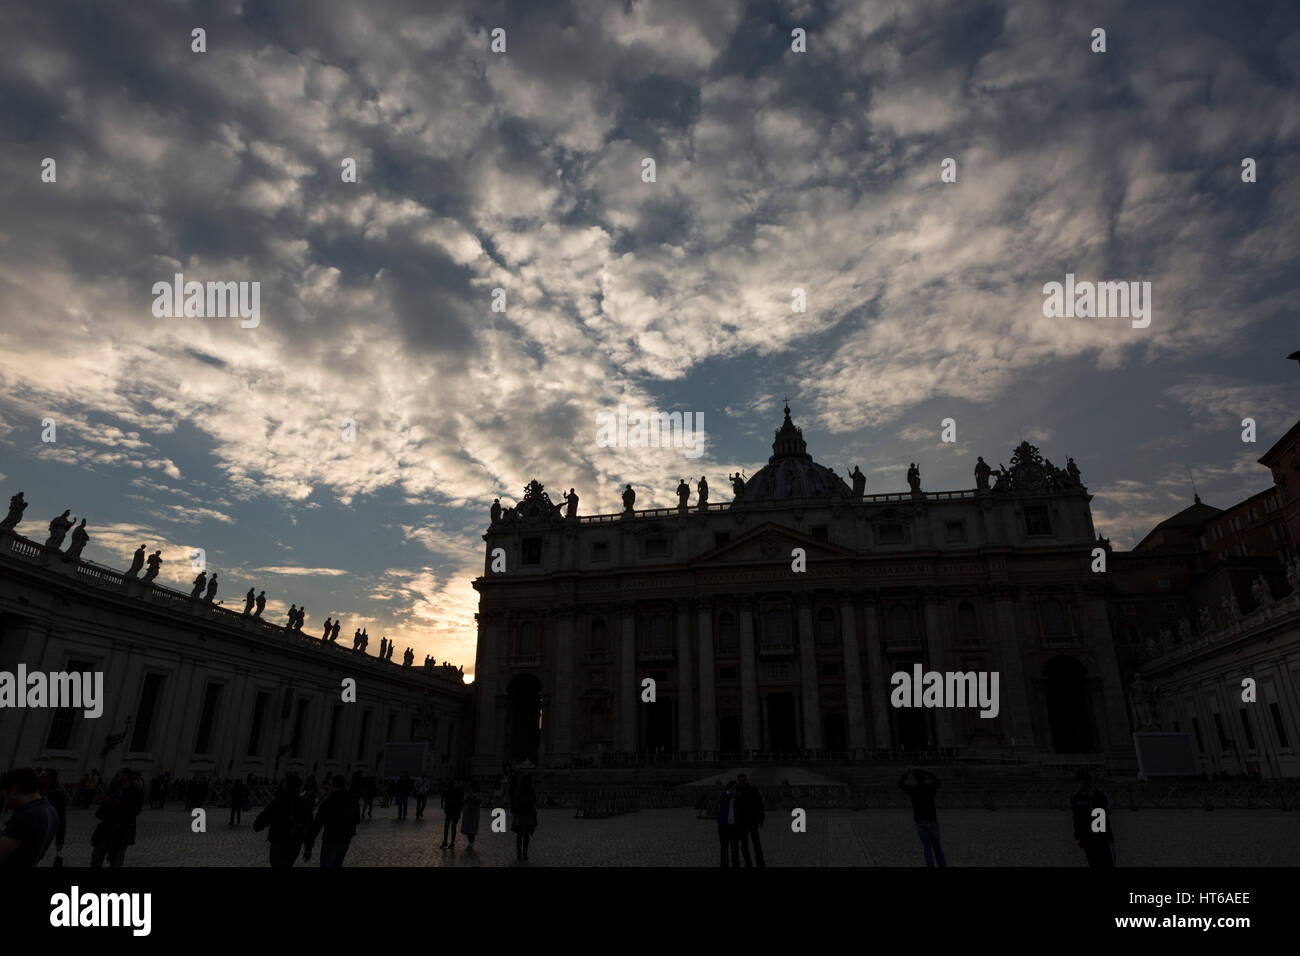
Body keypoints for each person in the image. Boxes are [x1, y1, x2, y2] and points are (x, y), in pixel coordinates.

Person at [0, 768, 60, 866]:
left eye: (4, 795)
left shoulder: (28, 816)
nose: (5, 802)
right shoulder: (50, 810)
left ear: (15, 790)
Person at [253, 774, 311, 868]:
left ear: (286, 786)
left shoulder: (279, 801)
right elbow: (309, 827)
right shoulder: (303, 804)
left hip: (279, 842)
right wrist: (308, 848)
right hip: (295, 843)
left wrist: (258, 825)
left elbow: (263, 819)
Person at [90, 769, 143, 867]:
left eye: (122, 774)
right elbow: (100, 813)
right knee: (97, 858)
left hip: (122, 830)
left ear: (128, 777)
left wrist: (120, 804)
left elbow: (136, 811)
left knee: (117, 861)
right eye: (118, 775)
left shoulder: (136, 792)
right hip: (106, 828)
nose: (119, 777)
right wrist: (106, 802)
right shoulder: (113, 789)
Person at [304, 775, 360, 868]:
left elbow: (317, 825)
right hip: (345, 839)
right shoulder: (352, 799)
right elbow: (357, 819)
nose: (328, 787)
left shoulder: (328, 802)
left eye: (330, 785)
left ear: (334, 785)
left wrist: (308, 847)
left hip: (331, 839)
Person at [899, 766, 946, 867]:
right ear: (924, 777)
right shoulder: (930, 788)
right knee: (937, 847)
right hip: (932, 820)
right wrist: (928, 772)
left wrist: (906, 774)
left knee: (927, 847)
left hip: (920, 821)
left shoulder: (913, 789)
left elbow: (900, 784)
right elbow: (938, 781)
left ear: (915, 778)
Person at [1071, 771, 1115, 867]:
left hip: (1103, 836)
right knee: (1093, 862)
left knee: (1109, 863)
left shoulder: (1100, 795)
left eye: (1085, 783)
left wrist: (1096, 798)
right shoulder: (1075, 798)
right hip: (1087, 837)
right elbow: (1076, 819)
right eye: (1081, 783)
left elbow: (1108, 810)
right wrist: (1078, 836)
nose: (1083, 786)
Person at [735, 772, 765, 867]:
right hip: (742, 821)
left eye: (743, 780)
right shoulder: (736, 791)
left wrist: (761, 818)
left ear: (746, 780)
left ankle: (759, 862)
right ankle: (749, 862)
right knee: (745, 844)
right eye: (740, 781)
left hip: (752, 820)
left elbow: (760, 804)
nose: (742, 782)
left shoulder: (753, 789)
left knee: (756, 843)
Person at [39, 769, 68, 866]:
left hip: (43, 832)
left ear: (50, 779)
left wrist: (60, 840)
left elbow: (61, 819)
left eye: (43, 777)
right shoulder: (35, 791)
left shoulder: (59, 796)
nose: (40, 778)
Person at [512, 774, 538, 862]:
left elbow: (515, 801)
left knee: (519, 835)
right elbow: (534, 801)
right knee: (526, 835)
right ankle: (525, 854)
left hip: (520, 815)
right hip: (528, 814)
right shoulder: (531, 789)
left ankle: (519, 854)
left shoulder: (519, 790)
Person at [717, 780, 741, 867]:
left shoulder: (738, 797)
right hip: (724, 826)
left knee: (735, 848)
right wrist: (732, 794)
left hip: (734, 826)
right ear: (730, 787)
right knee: (724, 848)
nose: (735, 789)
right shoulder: (725, 795)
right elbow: (725, 798)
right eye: (734, 787)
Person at [441, 778, 464, 848]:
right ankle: (445, 842)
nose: (455, 784)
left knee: (453, 827)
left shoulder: (460, 791)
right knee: (446, 827)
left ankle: (452, 843)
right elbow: (445, 797)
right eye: (454, 782)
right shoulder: (449, 790)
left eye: (457, 782)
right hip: (449, 811)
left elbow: (461, 802)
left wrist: (459, 812)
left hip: (456, 811)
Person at [461, 781, 482, 847]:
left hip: (474, 812)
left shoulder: (478, 793)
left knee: (472, 828)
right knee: (467, 828)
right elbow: (463, 801)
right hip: (467, 812)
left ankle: (471, 842)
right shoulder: (467, 792)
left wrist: (473, 796)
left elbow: (479, 801)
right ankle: (470, 841)